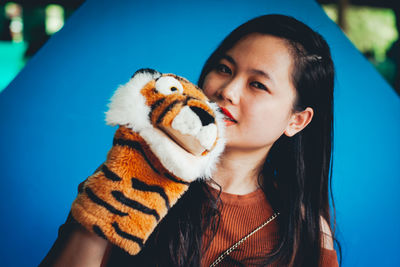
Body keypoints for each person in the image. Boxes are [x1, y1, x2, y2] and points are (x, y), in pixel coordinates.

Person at [39, 14, 340, 266]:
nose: (228, 90)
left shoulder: (308, 233)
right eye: (224, 69)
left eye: (257, 84)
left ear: (296, 120)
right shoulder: (135, 171)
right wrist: (112, 199)